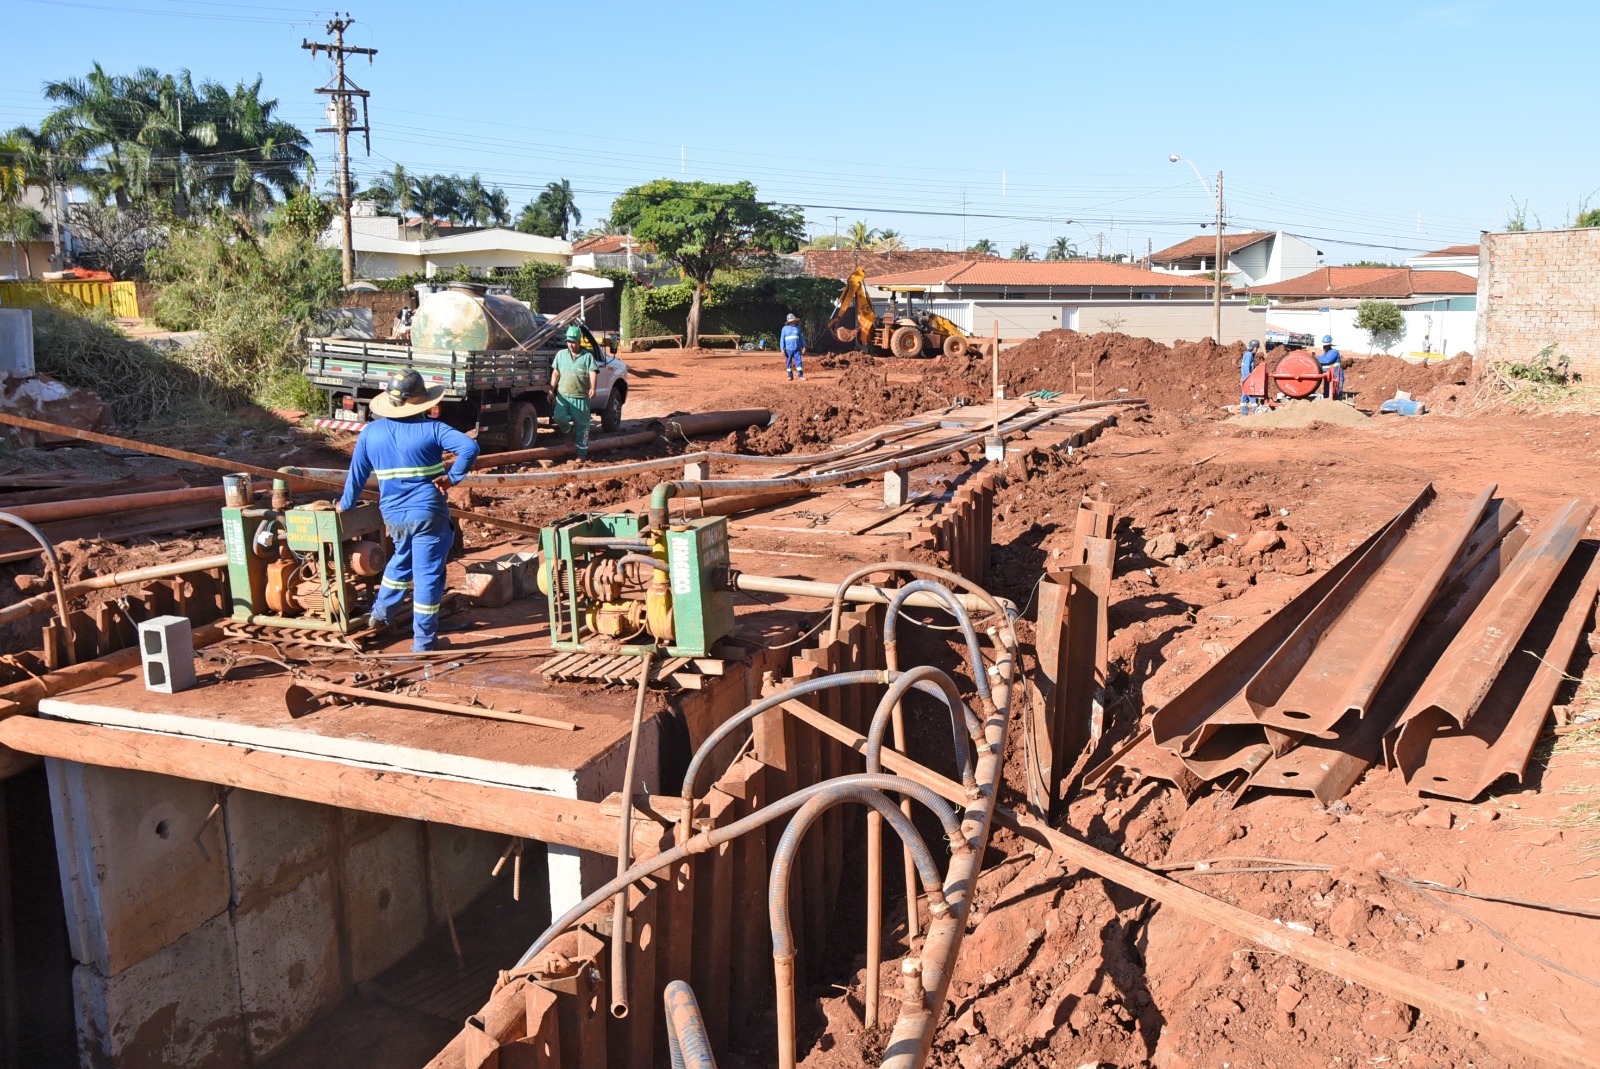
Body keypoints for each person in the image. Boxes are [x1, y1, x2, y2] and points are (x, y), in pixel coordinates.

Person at [339, 368, 480, 652]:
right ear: (422, 402)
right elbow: (470, 447)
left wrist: (345, 506)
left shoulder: (371, 433)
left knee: (401, 559)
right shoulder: (432, 429)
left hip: (394, 515)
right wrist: (452, 478)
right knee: (427, 574)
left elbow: (355, 476)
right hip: (428, 513)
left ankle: (380, 614)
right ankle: (424, 642)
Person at [551, 324, 598, 459]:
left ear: (579, 341)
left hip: (581, 397)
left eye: (573, 341)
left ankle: (581, 454)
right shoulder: (561, 355)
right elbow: (556, 373)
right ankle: (567, 431)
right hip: (563, 395)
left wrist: (593, 388)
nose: (571, 345)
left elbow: (593, 372)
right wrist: (551, 390)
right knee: (558, 417)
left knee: (582, 426)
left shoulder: (587, 357)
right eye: (569, 341)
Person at [779, 312, 805, 381]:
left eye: (794, 321)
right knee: (788, 362)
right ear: (788, 322)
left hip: (797, 348)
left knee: (799, 362)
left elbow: (801, 338)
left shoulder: (797, 328)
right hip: (788, 349)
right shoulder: (784, 329)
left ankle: (800, 376)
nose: (793, 322)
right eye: (791, 321)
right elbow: (782, 339)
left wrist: (803, 346)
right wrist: (782, 349)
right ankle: (790, 376)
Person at [1318, 334, 1344, 400]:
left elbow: (1327, 360)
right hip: (1328, 377)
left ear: (1330, 345)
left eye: (1326, 345)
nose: (1324, 347)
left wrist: (1315, 358)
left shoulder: (1334, 352)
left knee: (1336, 394)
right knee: (1327, 394)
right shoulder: (1324, 354)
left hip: (1336, 376)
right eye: (1324, 345)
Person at [1240, 339, 1260, 406]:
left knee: (1245, 396)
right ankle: (1255, 410)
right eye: (1257, 348)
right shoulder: (1249, 355)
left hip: (1245, 378)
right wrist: (1248, 380)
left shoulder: (1248, 355)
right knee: (1251, 395)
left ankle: (1244, 413)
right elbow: (1246, 368)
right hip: (1247, 379)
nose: (1257, 350)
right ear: (1254, 347)